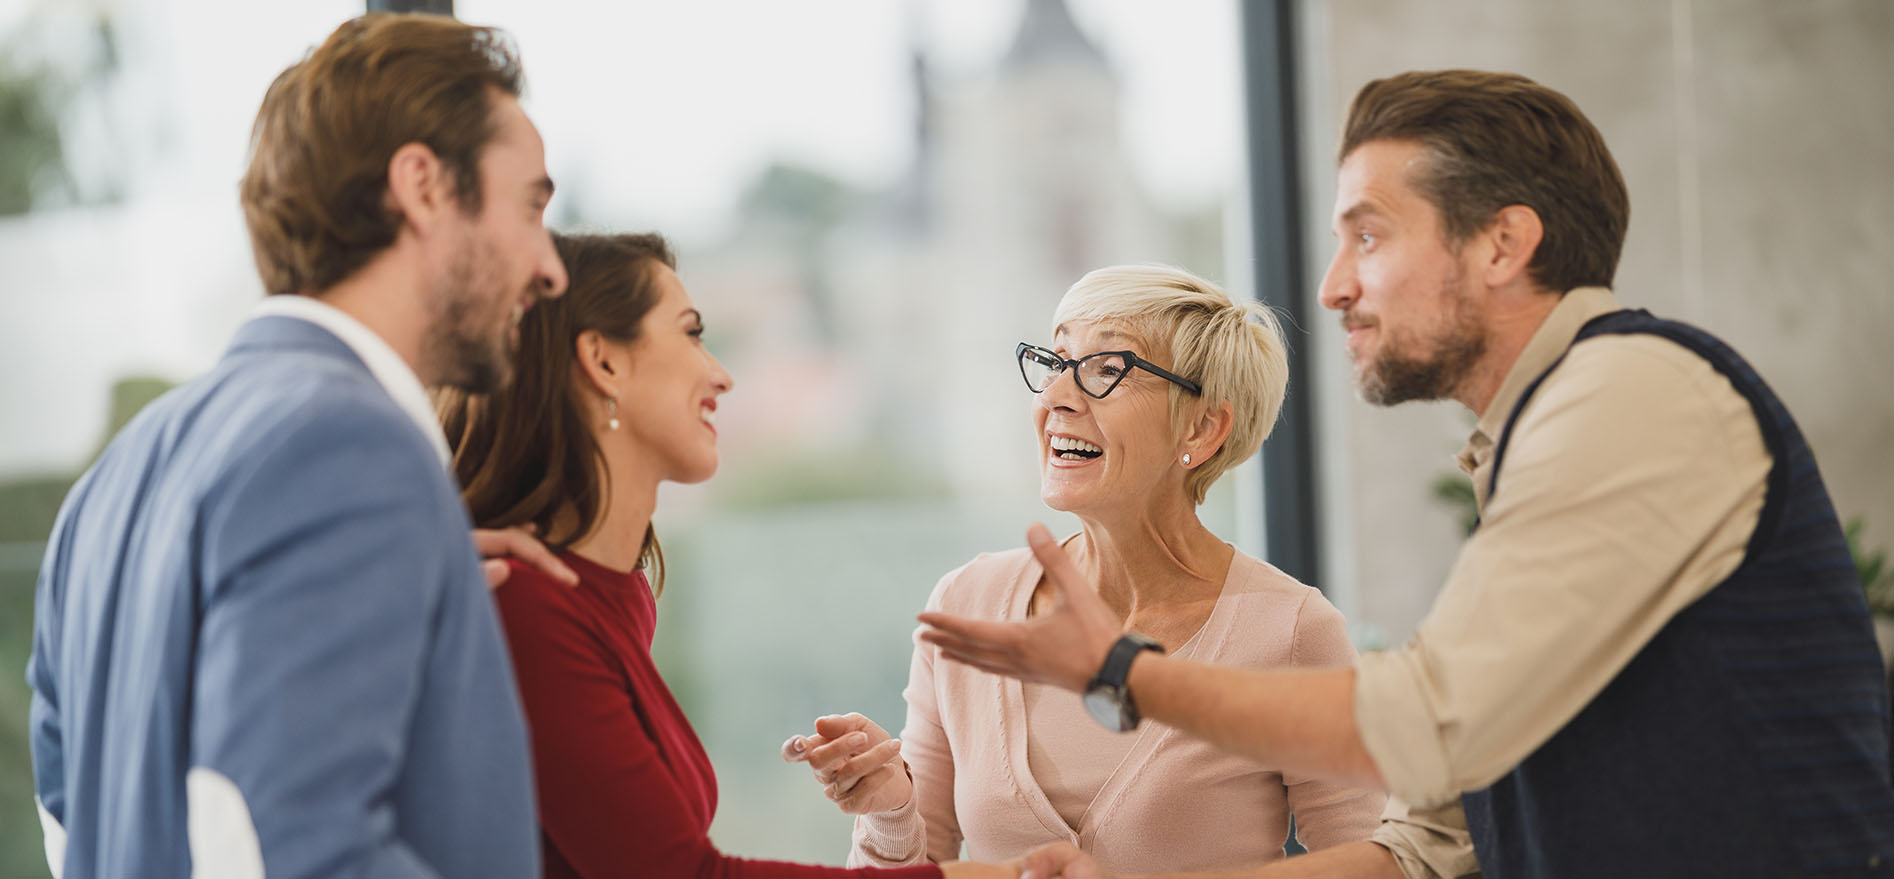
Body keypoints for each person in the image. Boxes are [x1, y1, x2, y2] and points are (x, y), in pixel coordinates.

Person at [918, 70, 1894, 878]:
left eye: (1369, 234)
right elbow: (1432, 839)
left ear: (1503, 244)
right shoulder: (1537, 437)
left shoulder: (1632, 391)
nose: (1333, 284)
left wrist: (1124, 674)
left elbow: (1429, 726)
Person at [25, 13, 579, 878]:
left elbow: (72, 826)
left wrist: (409, 577)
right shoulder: (351, 450)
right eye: (532, 205)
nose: (552, 267)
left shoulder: (118, 474)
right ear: (423, 186)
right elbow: (288, 846)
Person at [438, 231, 1023, 879]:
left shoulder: (618, 594)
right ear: (603, 361)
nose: (720, 372)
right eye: (690, 334)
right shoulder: (520, 601)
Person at [780, 266, 1383, 874]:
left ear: (1202, 428)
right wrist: (889, 809)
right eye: (1057, 362)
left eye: (1106, 370)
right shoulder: (969, 601)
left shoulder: (1292, 631)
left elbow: (1369, 867)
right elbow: (923, 866)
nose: (1056, 398)